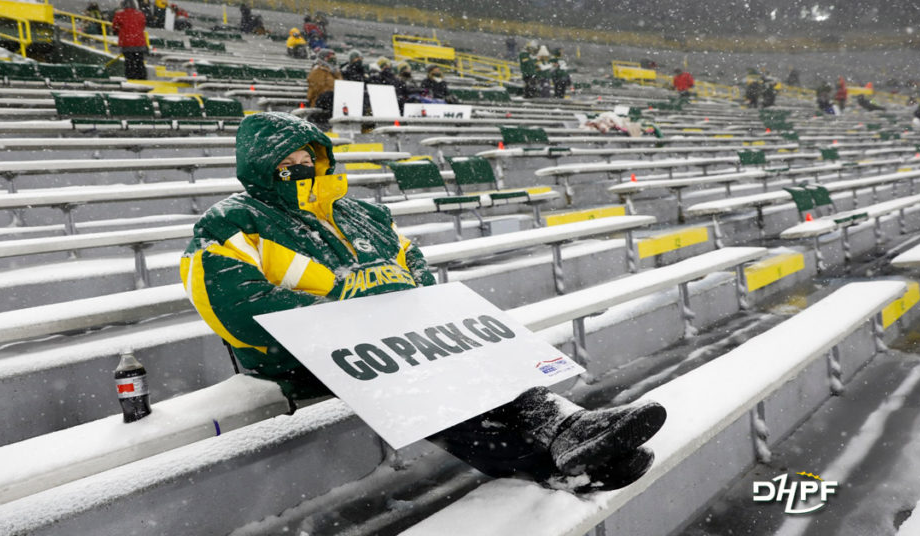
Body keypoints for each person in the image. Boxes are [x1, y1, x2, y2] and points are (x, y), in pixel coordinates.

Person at [180, 111, 668, 493]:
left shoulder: (360, 213)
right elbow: (239, 310)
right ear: (262, 166)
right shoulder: (231, 222)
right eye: (286, 161)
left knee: (464, 349)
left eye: (308, 156)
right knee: (424, 377)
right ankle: (549, 463)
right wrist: (348, 315)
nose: (300, 168)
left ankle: (567, 425)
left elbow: (415, 268)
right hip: (300, 360)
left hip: (394, 340)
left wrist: (396, 310)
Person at [112, 0, 148, 80]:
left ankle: (131, 79)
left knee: (129, 63)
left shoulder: (119, 14)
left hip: (126, 43)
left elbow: (115, 27)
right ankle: (142, 79)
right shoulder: (140, 14)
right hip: (140, 42)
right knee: (140, 62)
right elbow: (143, 25)